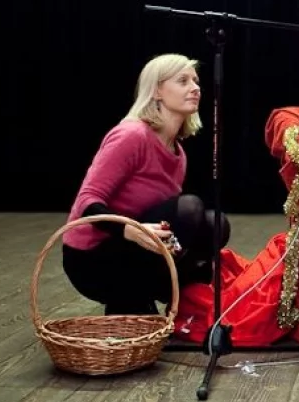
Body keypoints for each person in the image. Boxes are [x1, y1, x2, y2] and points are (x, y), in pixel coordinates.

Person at [63, 54, 230, 316]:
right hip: (92, 258)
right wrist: (130, 229)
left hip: (136, 250)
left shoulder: (178, 153)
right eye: (183, 81)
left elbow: (168, 225)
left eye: (196, 81)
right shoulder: (132, 135)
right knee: (190, 207)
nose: (195, 88)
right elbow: (86, 202)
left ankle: (157, 290)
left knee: (215, 224)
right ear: (157, 91)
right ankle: (143, 292)